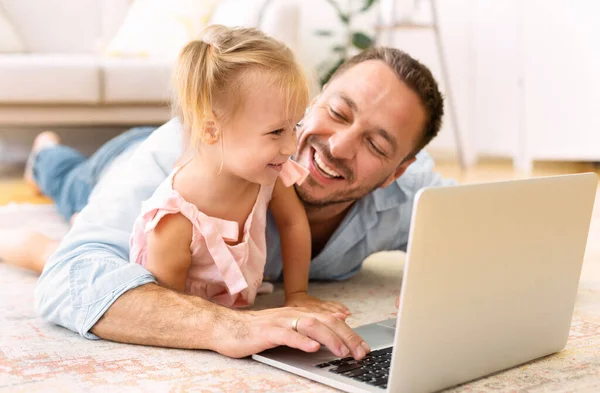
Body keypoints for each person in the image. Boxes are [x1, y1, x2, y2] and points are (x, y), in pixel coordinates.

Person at [6, 44, 451, 360]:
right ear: (310, 103)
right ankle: (46, 152)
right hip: (123, 158)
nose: (338, 145)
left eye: (375, 144)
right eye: (337, 112)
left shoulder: (411, 198)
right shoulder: (180, 156)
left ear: (397, 171)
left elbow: (501, 226)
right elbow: (69, 277)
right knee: (69, 184)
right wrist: (231, 326)